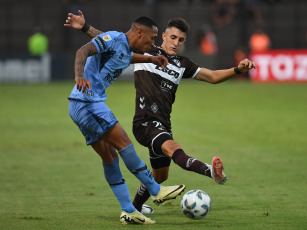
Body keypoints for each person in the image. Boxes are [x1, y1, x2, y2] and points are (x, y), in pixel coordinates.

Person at [65, 11, 256, 214]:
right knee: (173, 148)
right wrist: (86, 28)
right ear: (163, 36)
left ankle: (134, 209)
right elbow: (112, 41)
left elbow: (213, 76)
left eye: (181, 40)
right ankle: (210, 171)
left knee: (160, 175)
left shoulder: (183, 64)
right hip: (145, 122)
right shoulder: (147, 49)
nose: (175, 42)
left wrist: (238, 70)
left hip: (163, 124)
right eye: (172, 37)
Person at [66, 15, 186, 225]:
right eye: (150, 40)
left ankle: (128, 210)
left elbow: (124, 54)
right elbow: (82, 51)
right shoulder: (115, 39)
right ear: (139, 32)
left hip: (78, 106)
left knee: (110, 157)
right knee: (124, 145)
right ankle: (156, 190)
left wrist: (151, 58)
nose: (152, 44)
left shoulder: (119, 45)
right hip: (88, 103)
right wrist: (79, 76)